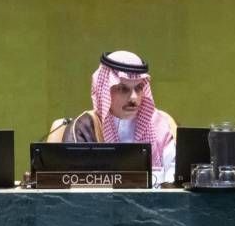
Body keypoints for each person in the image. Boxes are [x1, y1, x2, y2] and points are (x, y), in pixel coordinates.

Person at [61, 51, 177, 187]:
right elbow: (74, 188)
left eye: (139, 88)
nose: (133, 98)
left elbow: (175, 183)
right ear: (104, 90)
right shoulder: (85, 128)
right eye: (123, 89)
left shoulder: (159, 125)